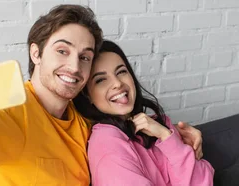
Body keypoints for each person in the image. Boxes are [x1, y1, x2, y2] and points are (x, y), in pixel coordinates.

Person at [0, 4, 204, 186]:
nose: (75, 66)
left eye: (84, 57)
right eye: (62, 51)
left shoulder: (86, 124)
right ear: (36, 53)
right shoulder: (10, 109)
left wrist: (180, 140)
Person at [73, 40, 214, 186]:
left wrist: (166, 136)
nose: (117, 83)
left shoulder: (157, 125)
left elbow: (204, 181)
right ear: (88, 95)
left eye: (121, 72)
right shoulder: (107, 144)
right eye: (101, 80)